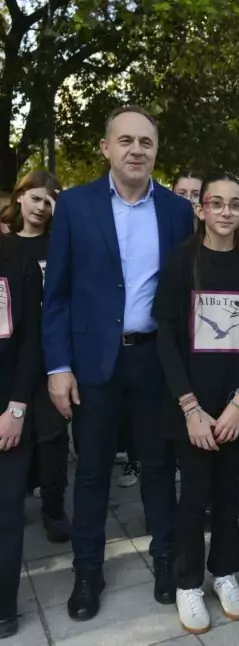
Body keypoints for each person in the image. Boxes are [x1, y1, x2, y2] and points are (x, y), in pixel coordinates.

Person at [42, 105, 195, 620]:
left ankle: (166, 558)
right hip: (93, 364)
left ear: (156, 151)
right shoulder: (76, 205)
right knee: (91, 473)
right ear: (106, 147)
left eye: (146, 142)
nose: (136, 150)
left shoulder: (176, 211)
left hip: (154, 361)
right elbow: (57, 294)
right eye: (125, 140)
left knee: (158, 467)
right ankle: (88, 571)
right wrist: (58, 367)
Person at [154, 172, 239, 634]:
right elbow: (165, 337)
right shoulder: (181, 262)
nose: (226, 211)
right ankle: (188, 581)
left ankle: (224, 572)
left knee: (228, 493)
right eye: (216, 203)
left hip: (235, 405)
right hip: (191, 406)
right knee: (194, 495)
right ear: (201, 209)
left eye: (235, 204)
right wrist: (190, 407)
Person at [0, 171, 71, 543]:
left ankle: (54, 508)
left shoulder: (59, 245)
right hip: (12, 354)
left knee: (53, 435)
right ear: (20, 196)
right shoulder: (5, 244)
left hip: (51, 355)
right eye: (36, 198)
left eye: (49, 201)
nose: (42, 207)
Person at [0, 230, 43, 640]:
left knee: (6, 510)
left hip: (8, 409)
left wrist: (16, 408)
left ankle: (3, 605)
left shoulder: (19, 260)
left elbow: (32, 339)